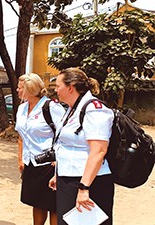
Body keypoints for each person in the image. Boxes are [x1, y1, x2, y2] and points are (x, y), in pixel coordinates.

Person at [49, 68, 114, 225]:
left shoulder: (94, 109)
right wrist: (58, 174)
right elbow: (66, 145)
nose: (55, 90)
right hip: (69, 179)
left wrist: (84, 188)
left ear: (70, 87)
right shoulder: (72, 109)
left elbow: (98, 151)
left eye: (58, 86)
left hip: (90, 181)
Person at [15, 73, 65, 225]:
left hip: (49, 165)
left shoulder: (51, 107)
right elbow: (21, 137)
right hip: (31, 163)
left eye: (20, 88)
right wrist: (21, 159)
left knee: (53, 206)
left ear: (30, 90)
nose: (17, 90)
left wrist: (59, 164)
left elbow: (64, 135)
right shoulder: (22, 109)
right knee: (37, 202)